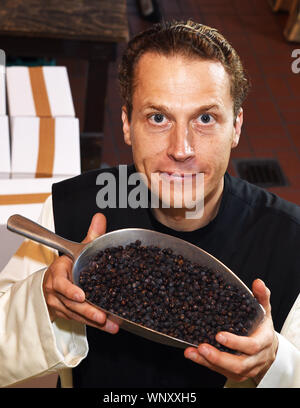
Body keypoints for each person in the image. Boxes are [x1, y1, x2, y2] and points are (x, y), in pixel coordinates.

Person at [0, 20, 299, 388]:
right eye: (158, 118)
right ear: (127, 123)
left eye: (205, 118)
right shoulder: (69, 211)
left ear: (236, 126)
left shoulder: (290, 243)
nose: (181, 149)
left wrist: (274, 364)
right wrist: (43, 300)